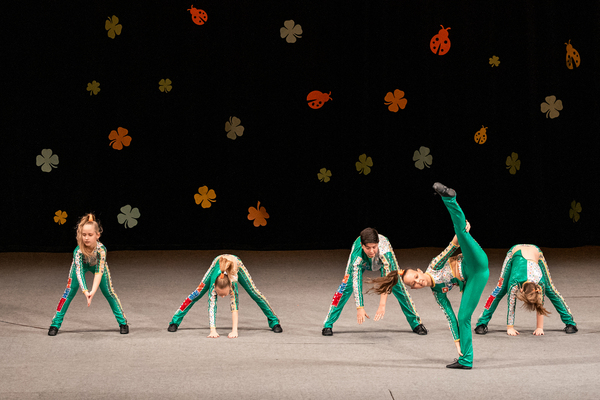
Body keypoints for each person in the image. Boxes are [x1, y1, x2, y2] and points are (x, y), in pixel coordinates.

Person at [369, 183, 489, 369]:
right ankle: (466, 359)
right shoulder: (438, 293)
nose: (419, 281)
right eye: (415, 284)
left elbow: (452, 246)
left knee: (460, 232)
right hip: (476, 279)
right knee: (463, 317)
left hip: (474, 261)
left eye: (416, 277)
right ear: (415, 288)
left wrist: (464, 229)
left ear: (419, 271)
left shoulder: (434, 265)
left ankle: (449, 198)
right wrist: (457, 343)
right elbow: (450, 317)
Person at [322, 227, 427, 336]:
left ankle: (416, 323)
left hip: (382, 260)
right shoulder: (356, 256)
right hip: (362, 261)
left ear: (378, 244)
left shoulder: (385, 252)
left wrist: (382, 305)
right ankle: (327, 323)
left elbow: (387, 280)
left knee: (399, 286)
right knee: (344, 288)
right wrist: (360, 307)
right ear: (362, 245)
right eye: (368, 248)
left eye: (374, 247)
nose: (371, 251)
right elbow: (356, 283)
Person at [48, 214, 128, 336]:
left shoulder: (101, 250)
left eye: (90, 235)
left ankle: (122, 322)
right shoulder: (78, 251)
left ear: (97, 235)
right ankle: (55, 323)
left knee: (109, 292)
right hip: (80, 266)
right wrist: (85, 291)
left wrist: (93, 291)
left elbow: (99, 272)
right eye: (84, 235)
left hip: (97, 266)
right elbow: (79, 273)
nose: (86, 238)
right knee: (68, 293)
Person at [167, 254, 282, 338]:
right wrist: (212, 330)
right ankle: (174, 321)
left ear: (230, 287)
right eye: (219, 294)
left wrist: (234, 331)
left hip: (236, 264)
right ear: (214, 287)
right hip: (217, 262)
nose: (222, 297)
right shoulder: (213, 284)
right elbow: (211, 306)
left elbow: (235, 306)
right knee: (196, 294)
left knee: (255, 293)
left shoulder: (233, 282)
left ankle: (274, 321)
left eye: (224, 294)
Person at [474, 244, 577, 336]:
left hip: (535, 252)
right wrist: (510, 327)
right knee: (499, 289)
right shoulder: (514, 283)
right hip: (514, 252)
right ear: (521, 290)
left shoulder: (540, 283)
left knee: (550, 289)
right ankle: (482, 322)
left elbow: (540, 305)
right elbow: (511, 304)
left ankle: (570, 322)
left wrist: (539, 328)